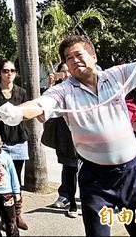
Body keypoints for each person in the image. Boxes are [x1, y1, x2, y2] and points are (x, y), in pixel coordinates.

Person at [0, 35, 136, 237]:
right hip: (95, 180)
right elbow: (41, 104)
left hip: (133, 174)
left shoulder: (117, 75)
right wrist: (17, 112)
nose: (74, 61)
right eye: (68, 58)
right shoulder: (64, 91)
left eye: (78, 54)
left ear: (94, 56)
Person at [0, 59, 29, 230]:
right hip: (0, 144)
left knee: (16, 180)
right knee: (0, 182)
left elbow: (26, 115)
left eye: (12, 70)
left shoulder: (22, 93)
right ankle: (4, 217)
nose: (9, 73)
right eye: (5, 70)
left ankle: (17, 215)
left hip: (18, 141)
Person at [41, 62, 79, 218]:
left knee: (85, 168)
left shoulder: (81, 87)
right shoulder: (56, 91)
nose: (66, 75)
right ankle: (70, 201)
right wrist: (50, 84)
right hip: (65, 134)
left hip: (83, 133)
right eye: (63, 72)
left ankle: (86, 199)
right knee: (69, 166)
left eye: (69, 72)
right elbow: (46, 104)